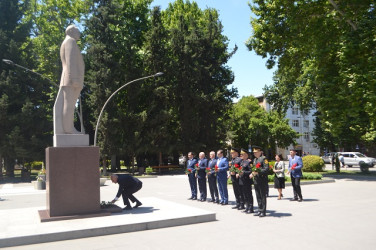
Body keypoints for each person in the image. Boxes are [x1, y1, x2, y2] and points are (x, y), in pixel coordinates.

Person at [54, 24, 85, 134]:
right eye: (77, 30)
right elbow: (71, 61)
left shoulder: (68, 42)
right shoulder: (70, 42)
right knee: (69, 105)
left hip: (70, 79)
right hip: (71, 80)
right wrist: (75, 79)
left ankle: (68, 128)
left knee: (70, 105)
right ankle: (68, 129)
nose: (79, 33)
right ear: (71, 31)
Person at [250, 146, 269, 217]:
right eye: (254, 152)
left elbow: (266, 169)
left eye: (256, 152)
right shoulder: (255, 160)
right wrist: (252, 173)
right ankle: (260, 209)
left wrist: (258, 172)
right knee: (258, 195)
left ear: (260, 152)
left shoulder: (264, 159)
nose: (255, 153)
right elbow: (254, 169)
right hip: (256, 180)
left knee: (262, 196)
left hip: (262, 180)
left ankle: (263, 211)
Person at [238, 149, 254, 213]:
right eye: (241, 154)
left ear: (246, 155)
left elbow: (251, 171)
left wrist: (243, 172)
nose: (241, 155)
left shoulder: (249, 162)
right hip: (242, 180)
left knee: (248, 194)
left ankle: (251, 207)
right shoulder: (242, 162)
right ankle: (247, 207)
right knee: (244, 194)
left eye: (242, 154)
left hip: (247, 180)